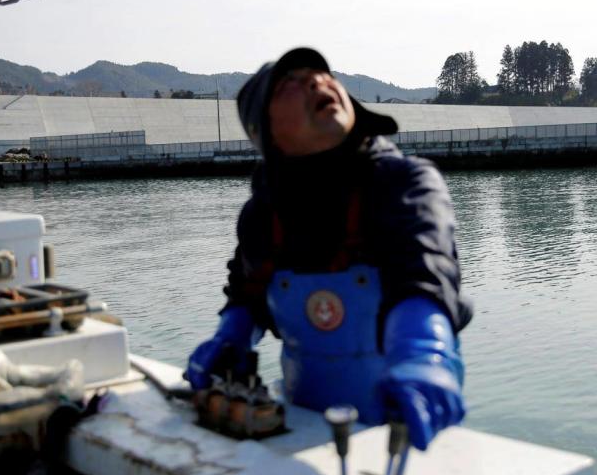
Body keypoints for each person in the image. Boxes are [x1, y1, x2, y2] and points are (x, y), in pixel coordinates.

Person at [184, 48, 472, 451]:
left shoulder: (404, 182)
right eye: (291, 83)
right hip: (301, 424)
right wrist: (230, 337)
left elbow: (425, 272)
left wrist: (427, 355)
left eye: (321, 74)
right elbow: (249, 290)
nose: (317, 82)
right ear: (263, 130)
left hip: (408, 424)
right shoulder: (262, 215)